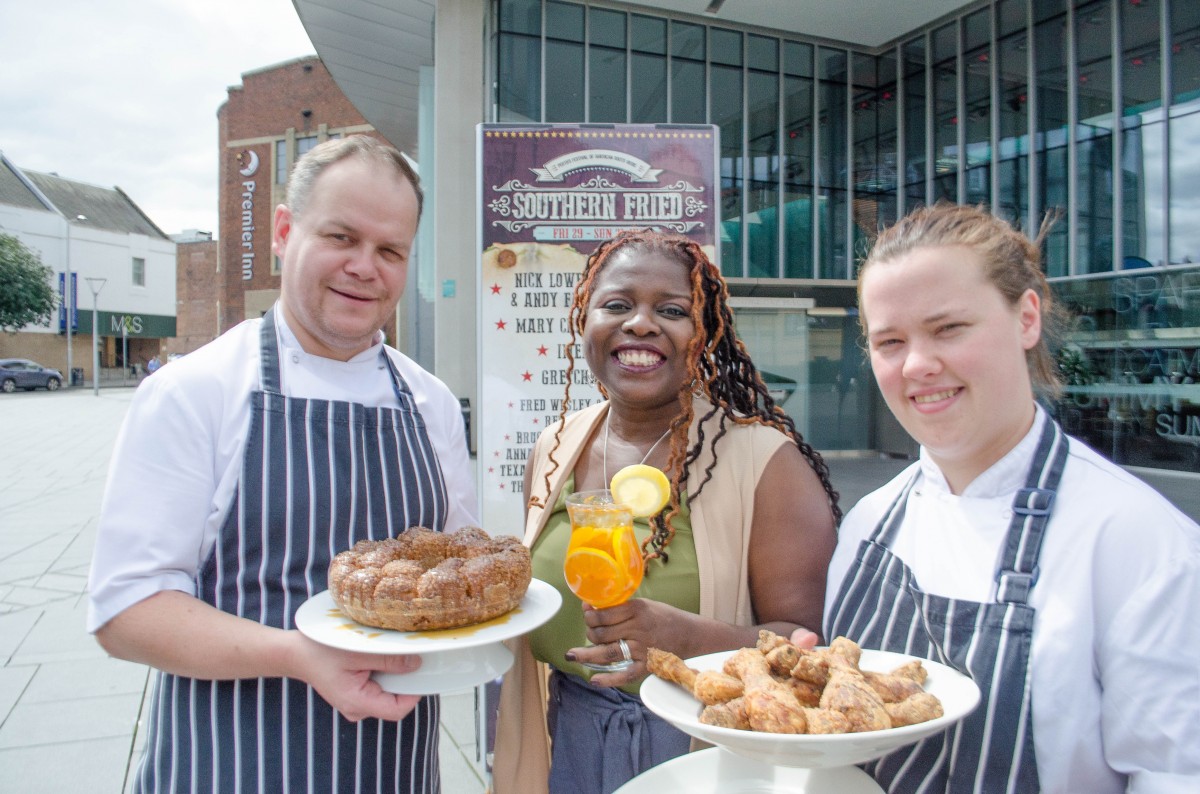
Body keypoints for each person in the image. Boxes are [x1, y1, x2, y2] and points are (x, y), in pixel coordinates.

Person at [86, 135, 479, 793]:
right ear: (283, 231)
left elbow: (460, 571)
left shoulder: (430, 402)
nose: (364, 267)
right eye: (341, 237)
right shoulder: (196, 391)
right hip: (229, 765)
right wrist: (297, 655)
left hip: (394, 769)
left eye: (390, 251)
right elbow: (127, 612)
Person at [818, 203, 1200, 793]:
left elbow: (1175, 775)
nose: (918, 364)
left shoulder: (1139, 541)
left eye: (949, 328)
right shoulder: (869, 524)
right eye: (890, 341)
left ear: (1026, 318)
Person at [493, 229, 840, 794]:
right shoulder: (556, 447)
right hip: (566, 732)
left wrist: (684, 638)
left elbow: (805, 647)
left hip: (697, 740)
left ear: (705, 333)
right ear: (585, 319)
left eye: (672, 311)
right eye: (616, 305)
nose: (640, 324)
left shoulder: (767, 464)